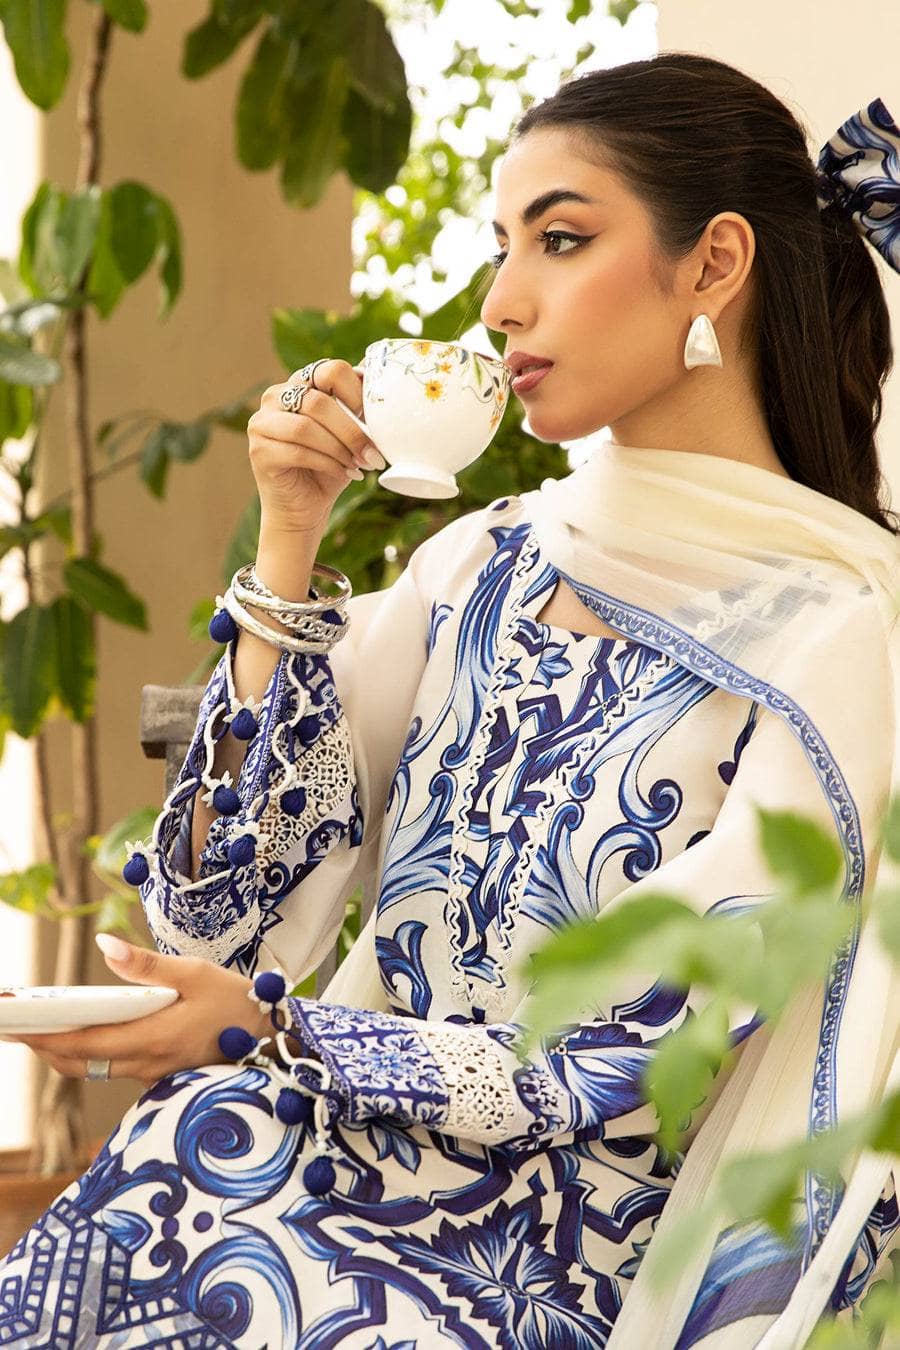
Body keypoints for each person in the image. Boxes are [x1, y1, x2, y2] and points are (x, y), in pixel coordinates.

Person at [1, 51, 898, 1349]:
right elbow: (215, 918)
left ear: (712, 266)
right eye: (501, 247)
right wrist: (288, 543)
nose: (499, 301)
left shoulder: (840, 630)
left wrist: (284, 1039)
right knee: (183, 1167)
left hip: (528, 1265)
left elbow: (646, 1045)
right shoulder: (486, 564)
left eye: (561, 239)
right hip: (281, 1164)